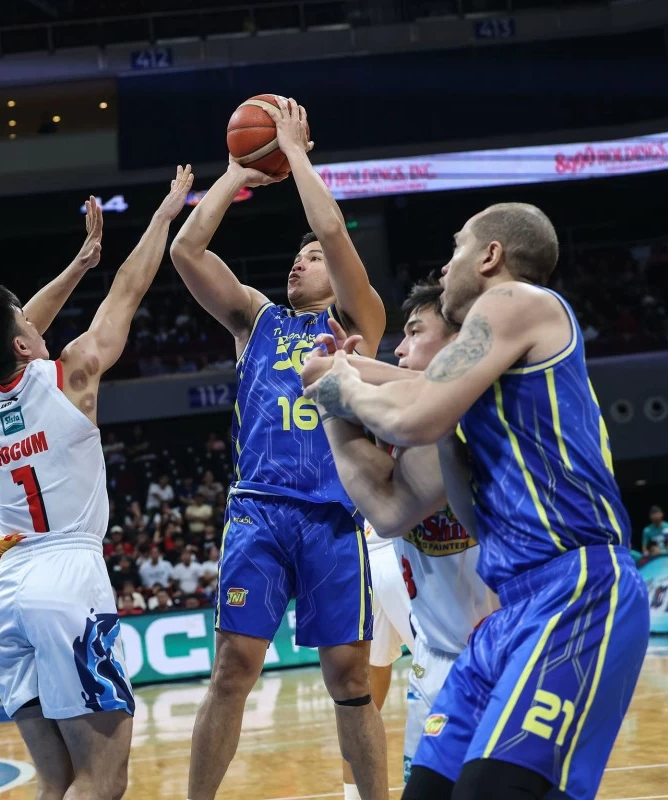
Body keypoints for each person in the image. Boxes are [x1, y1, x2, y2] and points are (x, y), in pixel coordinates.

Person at [303, 202, 650, 799]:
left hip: (576, 587)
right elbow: (388, 510)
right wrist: (332, 402)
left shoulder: (515, 300)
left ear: (491, 256)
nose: (445, 267)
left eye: (456, 248)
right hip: (506, 614)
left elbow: (414, 412)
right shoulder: (472, 409)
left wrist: (345, 382)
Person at [0, 167, 194, 799]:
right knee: (102, 781)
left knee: (56, 782)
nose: (36, 322)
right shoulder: (71, 376)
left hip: (3, 594)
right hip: (66, 581)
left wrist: (79, 264)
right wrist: (164, 215)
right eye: (25, 320)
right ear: (23, 344)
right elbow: (129, 289)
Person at [171, 97, 388, 800]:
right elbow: (186, 252)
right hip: (260, 510)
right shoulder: (256, 321)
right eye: (296, 256)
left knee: (349, 678)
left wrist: (293, 151)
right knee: (233, 667)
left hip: (333, 516)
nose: (301, 261)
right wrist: (237, 173)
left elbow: (332, 226)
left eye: (313, 258)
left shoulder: (361, 319)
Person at [308, 278, 499, 793]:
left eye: (415, 332)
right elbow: (398, 384)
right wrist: (345, 367)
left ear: (459, 344)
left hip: (498, 657)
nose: (400, 346)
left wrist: (336, 388)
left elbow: (390, 511)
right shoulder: (412, 407)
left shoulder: (472, 410)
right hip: (436, 657)